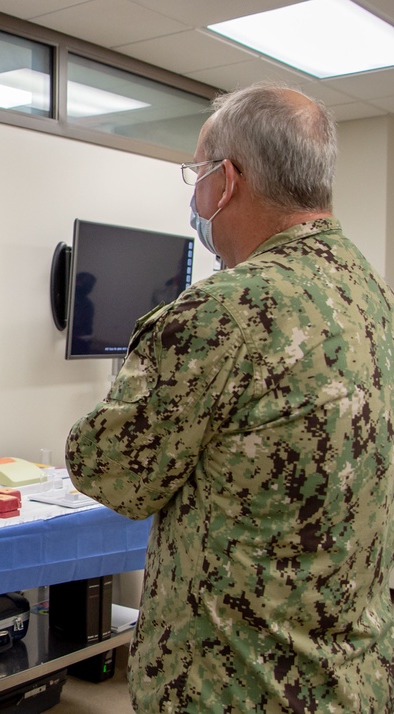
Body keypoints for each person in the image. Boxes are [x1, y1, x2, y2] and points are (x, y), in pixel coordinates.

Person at [65, 82, 394, 711]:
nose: (194, 195)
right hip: (355, 678)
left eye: (196, 174)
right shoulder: (375, 299)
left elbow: (110, 475)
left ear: (228, 179)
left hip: (237, 685)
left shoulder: (223, 314)